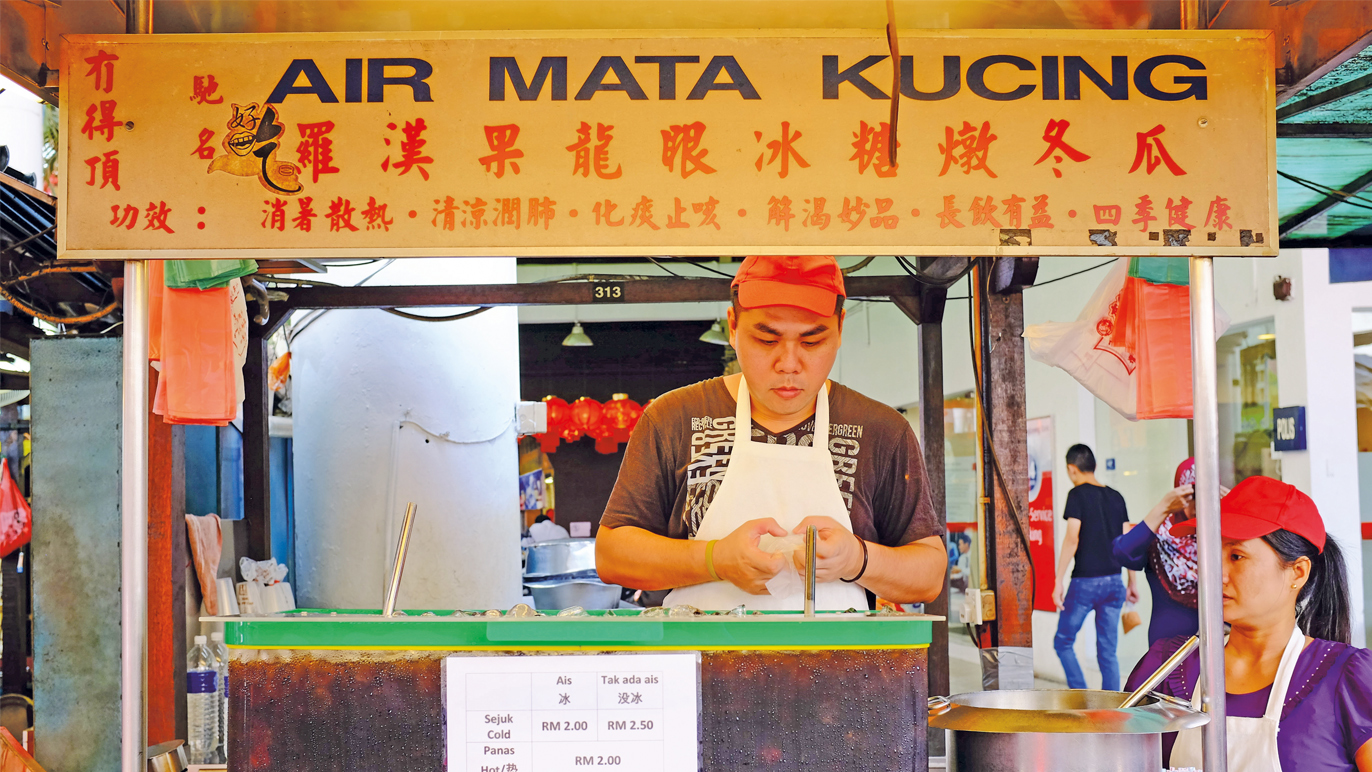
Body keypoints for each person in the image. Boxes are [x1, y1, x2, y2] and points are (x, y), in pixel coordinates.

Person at [595, 255, 946, 610]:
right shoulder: (674, 419)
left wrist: (856, 559)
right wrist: (715, 560)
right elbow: (612, 556)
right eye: (766, 340)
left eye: (811, 342)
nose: (789, 364)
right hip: (699, 662)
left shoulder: (882, 431)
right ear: (733, 326)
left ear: (840, 328)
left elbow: (929, 574)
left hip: (841, 665)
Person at [1124, 475, 1372, 771]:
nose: (1216, 573)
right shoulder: (1167, 666)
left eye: (1237, 556)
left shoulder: (1347, 678)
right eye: (1210, 554)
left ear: (1297, 573)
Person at [1052, 444, 1131, 690]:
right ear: (1094, 466)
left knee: (1063, 642)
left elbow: (1072, 538)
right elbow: (1128, 541)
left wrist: (1058, 580)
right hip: (1114, 582)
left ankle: (1081, 698)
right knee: (1107, 652)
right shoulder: (1116, 496)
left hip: (1085, 582)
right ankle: (1113, 711)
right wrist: (1132, 582)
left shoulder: (1076, 495)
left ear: (1071, 469)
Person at [1112, 458, 1202, 645]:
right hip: (1168, 651)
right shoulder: (1159, 535)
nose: (1197, 505)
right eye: (1191, 496)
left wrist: (1233, 508)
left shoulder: (1223, 535)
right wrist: (1163, 507)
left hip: (1222, 648)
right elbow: (1122, 552)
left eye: (1206, 494)